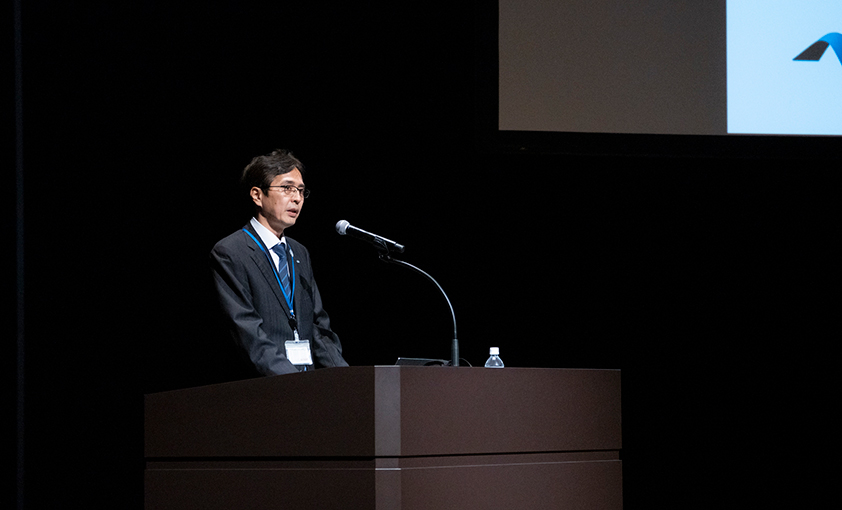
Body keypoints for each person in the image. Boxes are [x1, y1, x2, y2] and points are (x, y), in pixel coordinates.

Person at [210, 149, 349, 376]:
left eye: (301, 191)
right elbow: (247, 331)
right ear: (257, 195)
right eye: (287, 188)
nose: (297, 198)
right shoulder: (231, 252)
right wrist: (292, 382)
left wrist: (346, 378)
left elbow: (318, 327)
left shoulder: (299, 252)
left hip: (307, 384)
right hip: (267, 387)